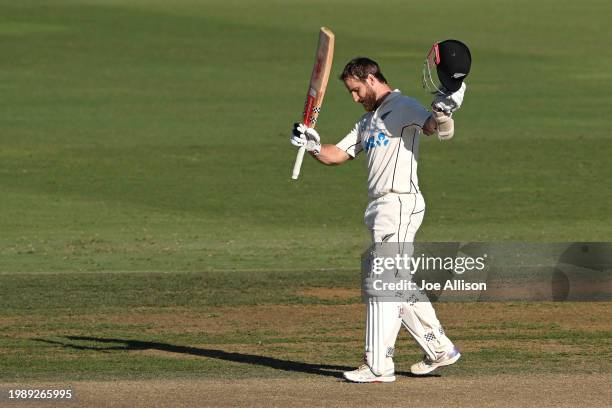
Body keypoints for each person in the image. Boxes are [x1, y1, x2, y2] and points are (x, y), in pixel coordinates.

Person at [290, 56, 468, 383]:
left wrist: (444, 110)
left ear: (371, 79)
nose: (355, 98)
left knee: (382, 283)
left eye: (356, 90)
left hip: (399, 202)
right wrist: (313, 145)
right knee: (397, 284)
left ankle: (378, 364)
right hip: (380, 208)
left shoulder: (402, 106)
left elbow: (435, 129)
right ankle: (440, 348)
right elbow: (339, 154)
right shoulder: (368, 121)